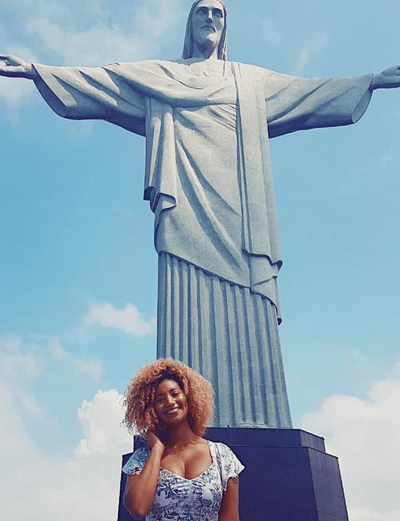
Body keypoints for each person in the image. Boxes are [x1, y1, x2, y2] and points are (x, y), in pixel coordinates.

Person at [1, 0, 400, 429]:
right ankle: (187, 424)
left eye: (218, 13)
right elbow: (103, 83)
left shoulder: (248, 81)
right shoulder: (160, 77)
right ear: (188, 24)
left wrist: (371, 81)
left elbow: (310, 94)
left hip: (242, 213)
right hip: (185, 205)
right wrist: (36, 71)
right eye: (201, 12)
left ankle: (260, 418)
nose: (210, 18)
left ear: (225, 27)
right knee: (185, 302)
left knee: (249, 306)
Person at [122, 358, 244, 521]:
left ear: (188, 396)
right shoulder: (142, 459)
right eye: (159, 399)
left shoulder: (222, 456)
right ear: (151, 409)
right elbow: (138, 509)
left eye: (174, 394)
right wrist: (157, 449)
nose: (169, 402)